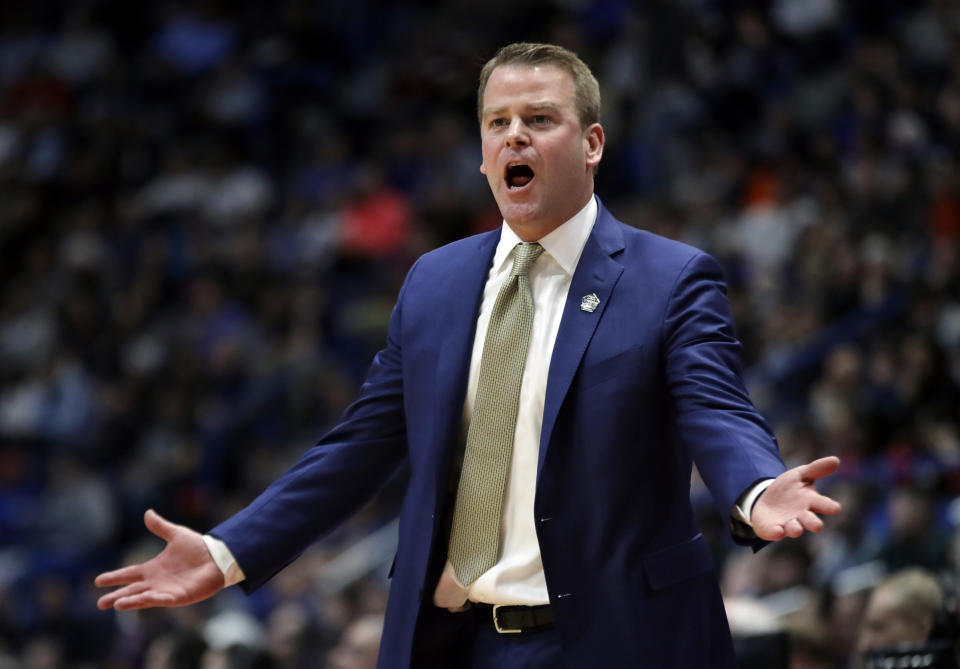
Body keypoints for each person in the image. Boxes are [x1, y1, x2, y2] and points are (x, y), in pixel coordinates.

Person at [95, 43, 841, 668]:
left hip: (616, 640)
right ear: (482, 152)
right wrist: (228, 552)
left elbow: (716, 408)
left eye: (539, 119)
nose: (513, 135)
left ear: (591, 144)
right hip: (454, 643)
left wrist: (755, 486)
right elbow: (360, 446)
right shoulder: (435, 282)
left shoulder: (671, 278)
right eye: (497, 122)